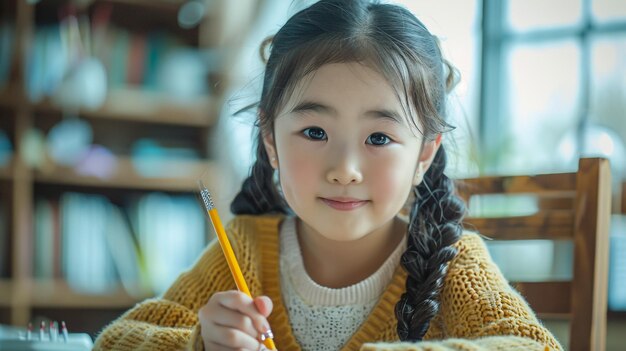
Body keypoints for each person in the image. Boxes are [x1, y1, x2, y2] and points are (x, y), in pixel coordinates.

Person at [94, 0, 563, 350]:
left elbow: (535, 346)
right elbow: (114, 340)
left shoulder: (453, 263)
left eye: (378, 138)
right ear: (271, 141)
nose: (344, 170)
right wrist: (199, 344)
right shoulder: (244, 249)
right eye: (314, 131)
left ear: (424, 153)